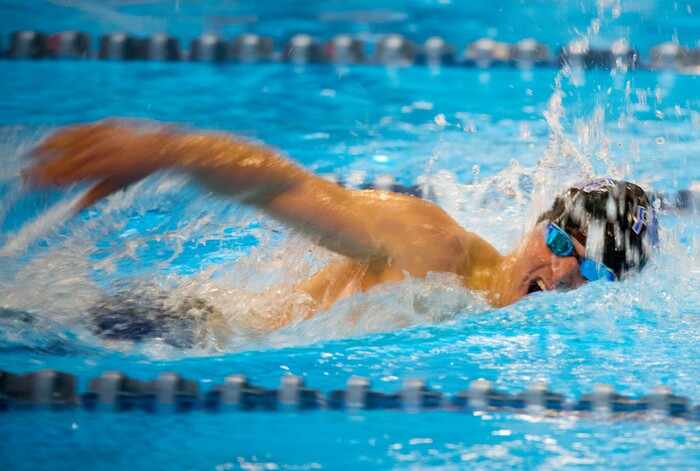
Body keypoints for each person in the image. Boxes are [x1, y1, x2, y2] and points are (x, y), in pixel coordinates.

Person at [25, 121, 659, 331]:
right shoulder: (428, 243)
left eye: (590, 268)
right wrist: (166, 150)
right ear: (535, 226)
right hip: (175, 330)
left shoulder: (488, 322)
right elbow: (284, 183)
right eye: (557, 242)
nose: (560, 271)